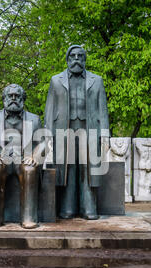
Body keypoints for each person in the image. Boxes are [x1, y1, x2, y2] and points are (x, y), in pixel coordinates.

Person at [44, 45, 110, 220]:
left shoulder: (97, 80)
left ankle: (89, 208)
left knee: (88, 168)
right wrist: (47, 134)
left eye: (80, 56)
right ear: (67, 59)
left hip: (90, 130)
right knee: (67, 169)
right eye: (72, 56)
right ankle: (68, 208)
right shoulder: (56, 80)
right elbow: (49, 109)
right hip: (63, 131)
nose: (76, 59)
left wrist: (105, 134)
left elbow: (102, 108)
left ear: (84, 59)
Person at [0, 84, 45, 229]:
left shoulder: (34, 120)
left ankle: (29, 218)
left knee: (29, 169)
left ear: (23, 99)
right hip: (1, 158)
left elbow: (42, 143)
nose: (14, 99)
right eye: (10, 96)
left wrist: (35, 156)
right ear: (4, 98)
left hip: (24, 159)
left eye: (17, 96)